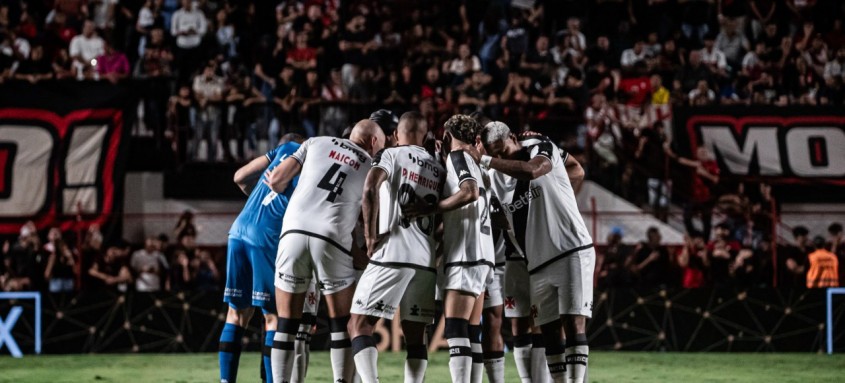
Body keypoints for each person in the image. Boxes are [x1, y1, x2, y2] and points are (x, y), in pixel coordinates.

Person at [473, 121, 594, 383]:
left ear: (514, 138)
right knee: (549, 333)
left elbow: (533, 171)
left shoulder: (539, 146)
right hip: (535, 263)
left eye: (502, 150)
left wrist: (561, 200)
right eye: (495, 154)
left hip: (570, 249)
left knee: (573, 325)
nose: (500, 157)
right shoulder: (493, 174)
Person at [268, 120, 385, 383]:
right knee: (340, 325)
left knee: (286, 325)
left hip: (293, 234)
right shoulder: (373, 166)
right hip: (332, 240)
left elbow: (276, 180)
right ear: (374, 142)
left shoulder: (314, 142)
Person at [348, 112, 444, 383]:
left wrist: (368, 236)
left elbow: (370, 188)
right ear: (424, 135)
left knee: (359, 325)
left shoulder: (390, 155)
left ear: (395, 135)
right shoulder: (438, 165)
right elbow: (446, 213)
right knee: (416, 337)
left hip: (393, 252)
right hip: (425, 260)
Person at [219, 133, 312, 383]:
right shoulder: (306, 154)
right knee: (273, 316)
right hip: (267, 238)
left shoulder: (279, 151)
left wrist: (257, 200)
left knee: (236, 314)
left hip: (238, 230)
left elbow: (239, 177)